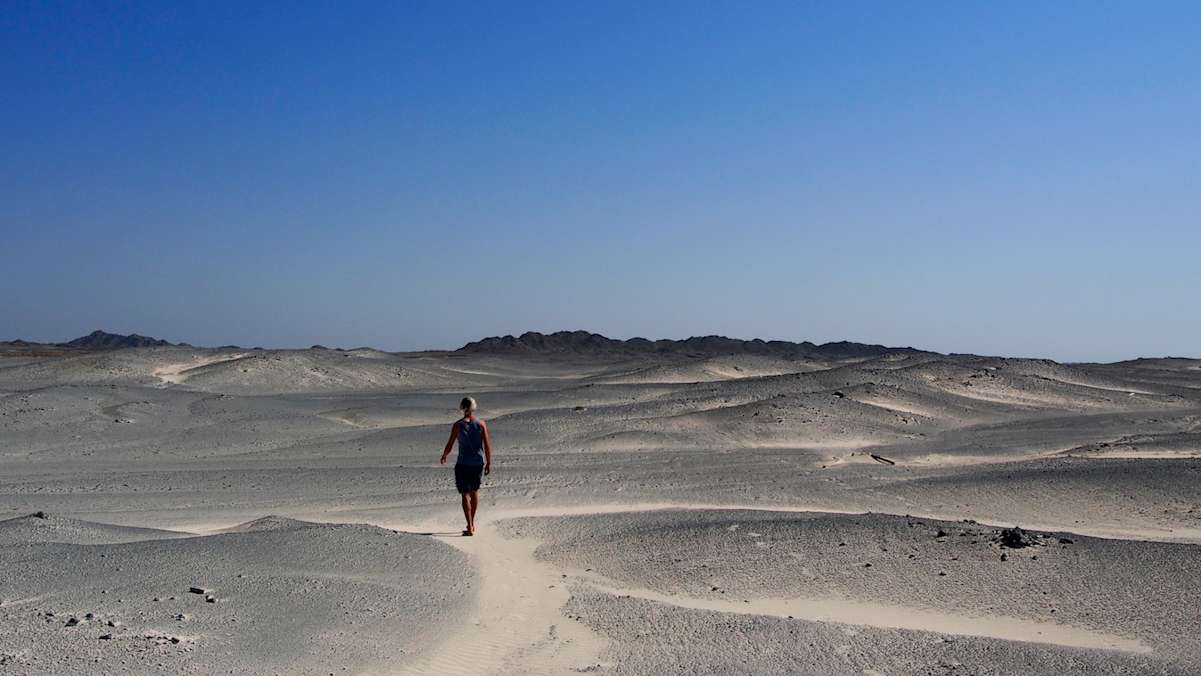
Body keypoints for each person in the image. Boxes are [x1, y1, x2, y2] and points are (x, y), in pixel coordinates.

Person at [439, 396, 492, 535]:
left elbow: (450, 443)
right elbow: (486, 445)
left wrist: (445, 455)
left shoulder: (458, 425)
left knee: (464, 494)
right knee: (474, 492)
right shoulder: (481, 424)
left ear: (462, 407)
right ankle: (472, 524)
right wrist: (488, 462)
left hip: (463, 463)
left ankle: (469, 525)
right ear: (474, 407)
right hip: (477, 463)